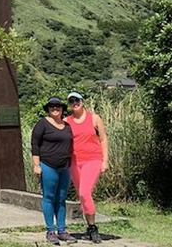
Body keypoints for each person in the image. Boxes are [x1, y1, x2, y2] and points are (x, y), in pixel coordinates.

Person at [31, 96, 77, 245]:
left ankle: (62, 230)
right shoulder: (42, 124)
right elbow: (35, 145)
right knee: (49, 197)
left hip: (64, 167)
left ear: (62, 109)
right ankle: (50, 230)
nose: (55, 108)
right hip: (48, 165)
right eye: (52, 106)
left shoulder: (67, 125)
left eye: (58, 106)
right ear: (48, 109)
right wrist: (36, 165)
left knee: (61, 199)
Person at [65, 91, 109, 244]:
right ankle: (89, 228)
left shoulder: (94, 118)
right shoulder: (67, 121)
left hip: (93, 159)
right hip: (75, 162)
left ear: (82, 101)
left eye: (77, 100)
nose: (74, 103)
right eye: (71, 101)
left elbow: (103, 139)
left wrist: (105, 161)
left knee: (84, 192)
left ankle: (93, 227)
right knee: (82, 195)